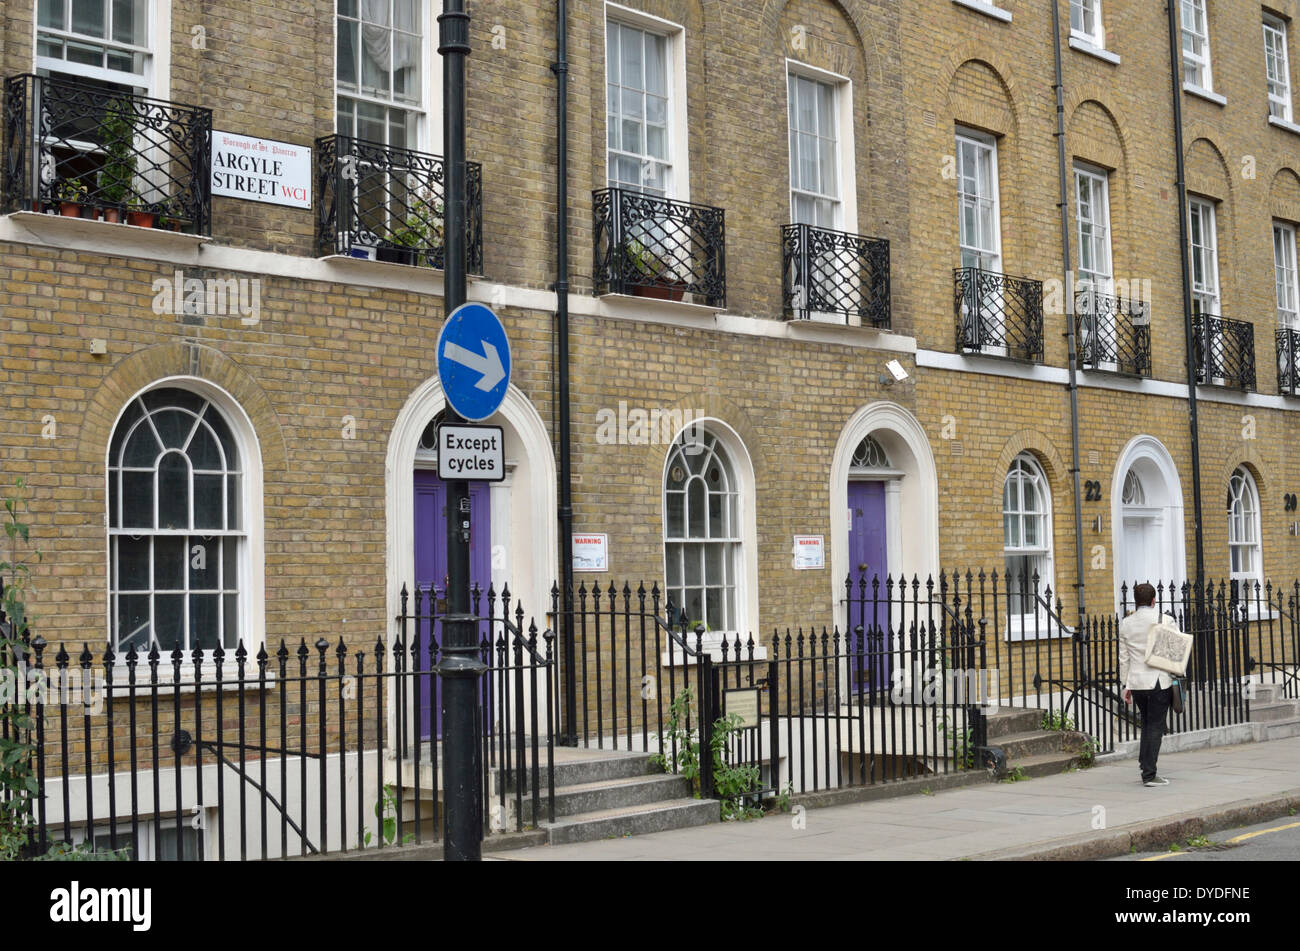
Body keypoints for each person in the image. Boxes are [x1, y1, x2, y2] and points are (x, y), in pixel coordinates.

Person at [1119, 582, 1174, 787]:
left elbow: (1123, 659)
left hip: (1137, 683)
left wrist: (1125, 685)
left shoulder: (1126, 623)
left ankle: (1145, 765)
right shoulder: (1166, 620)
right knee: (1155, 726)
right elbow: (1175, 650)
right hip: (1159, 681)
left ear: (1136, 600)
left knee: (1147, 723)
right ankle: (1149, 775)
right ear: (1153, 600)